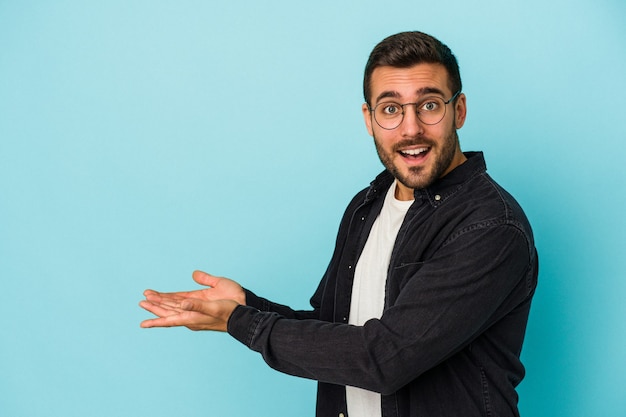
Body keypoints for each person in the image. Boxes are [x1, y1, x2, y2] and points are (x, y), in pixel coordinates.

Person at [140, 31, 538, 417]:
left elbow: (383, 357)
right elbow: (337, 331)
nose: (411, 127)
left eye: (429, 105)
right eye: (391, 109)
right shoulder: (366, 207)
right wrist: (246, 305)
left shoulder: (490, 226)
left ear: (459, 110)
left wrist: (242, 322)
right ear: (369, 118)